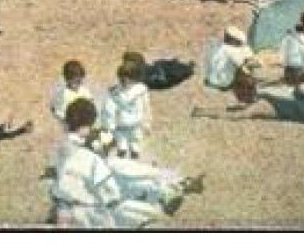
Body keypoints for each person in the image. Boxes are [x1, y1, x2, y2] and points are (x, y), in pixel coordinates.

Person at [49, 97, 203, 228]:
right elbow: (111, 196)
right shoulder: (92, 159)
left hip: (63, 209)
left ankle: (168, 188)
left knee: (124, 176)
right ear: (89, 124)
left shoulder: (62, 149)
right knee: (143, 209)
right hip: (90, 215)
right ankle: (168, 190)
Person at [99, 53, 153, 160]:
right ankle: (120, 164)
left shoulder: (141, 90)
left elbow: (146, 108)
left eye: (128, 79)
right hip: (121, 125)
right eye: (122, 79)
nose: (125, 82)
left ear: (134, 79)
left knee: (135, 147)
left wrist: (147, 123)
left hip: (135, 125)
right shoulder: (115, 92)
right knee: (122, 147)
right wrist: (109, 125)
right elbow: (108, 109)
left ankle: (134, 163)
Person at [202, 25, 259, 103]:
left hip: (211, 78)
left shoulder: (218, 46)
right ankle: (246, 99)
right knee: (246, 76)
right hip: (223, 81)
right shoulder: (230, 50)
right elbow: (243, 65)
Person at [49, 59, 94, 131]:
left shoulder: (85, 91)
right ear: (67, 79)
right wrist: (66, 123)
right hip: (71, 129)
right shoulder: (63, 95)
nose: (77, 83)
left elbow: (92, 107)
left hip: (87, 127)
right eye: (74, 81)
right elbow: (55, 110)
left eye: (79, 80)